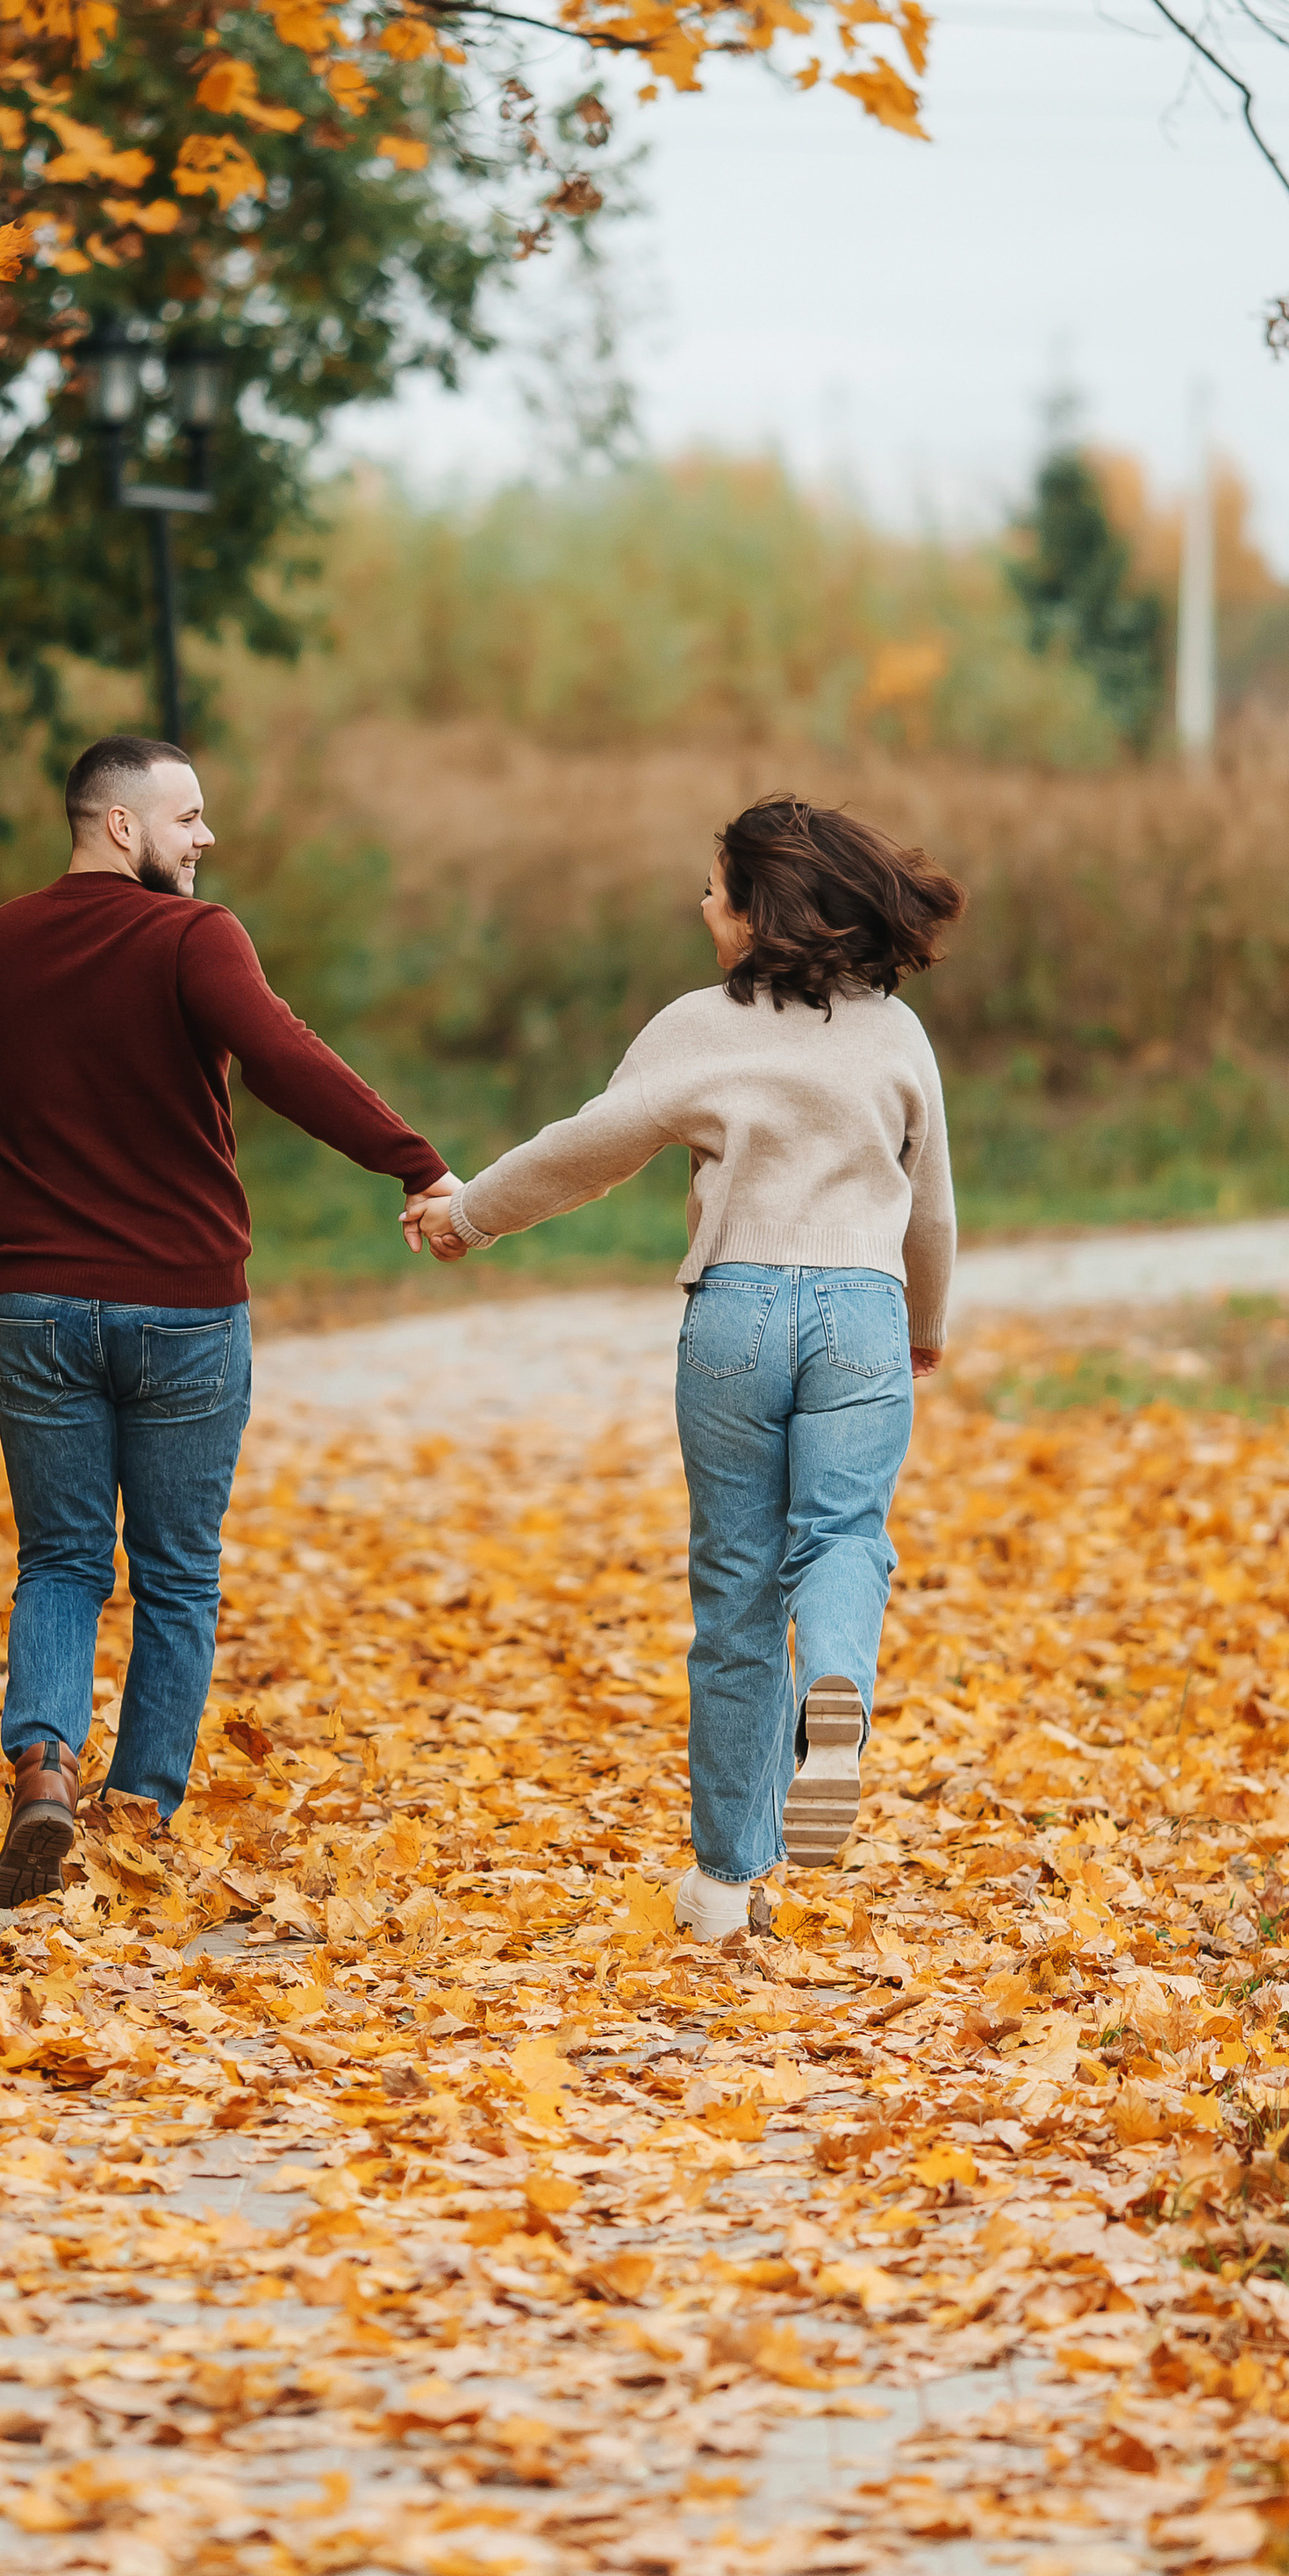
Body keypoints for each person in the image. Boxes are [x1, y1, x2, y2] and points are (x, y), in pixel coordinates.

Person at [407, 795, 963, 1941]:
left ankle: (724, 1885)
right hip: (861, 1307)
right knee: (845, 1538)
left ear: (761, 913)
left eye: (714, 890)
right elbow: (932, 1208)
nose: (701, 905)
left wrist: (473, 1218)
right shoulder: (897, 1036)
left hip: (738, 1311)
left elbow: (585, 1151)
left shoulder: (697, 1027)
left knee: (737, 1593)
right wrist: (924, 1323)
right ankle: (840, 1685)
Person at [0, 735, 455, 1906]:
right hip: (181, 1304)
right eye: (190, 818)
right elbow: (283, 1056)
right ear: (121, 826)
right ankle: (138, 1809)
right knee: (175, 1569)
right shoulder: (193, 937)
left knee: (63, 1557)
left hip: (40, 1301)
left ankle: (42, 1771)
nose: (206, 839)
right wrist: (413, 1162)